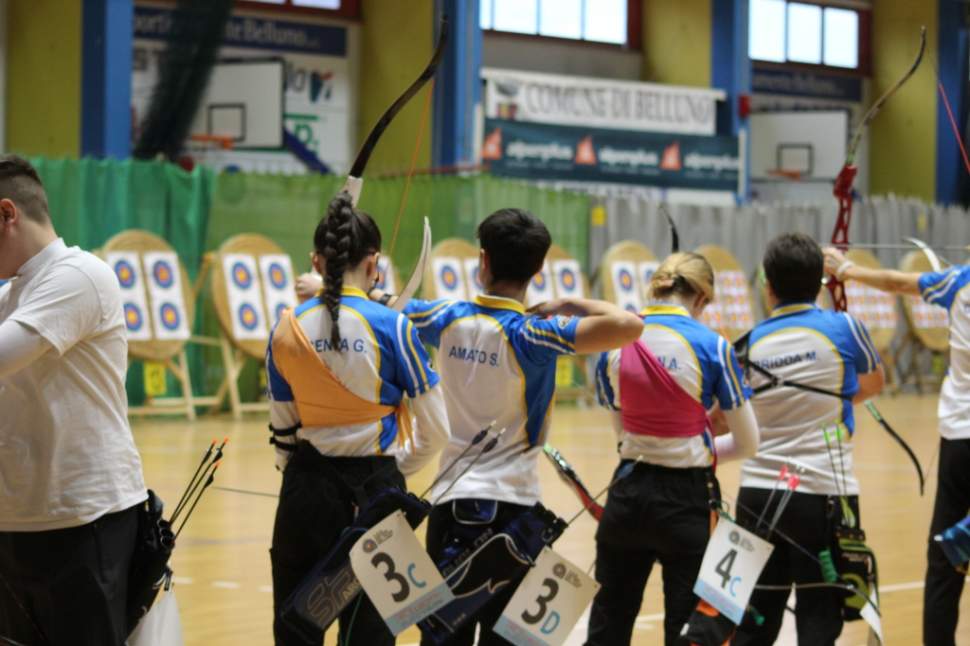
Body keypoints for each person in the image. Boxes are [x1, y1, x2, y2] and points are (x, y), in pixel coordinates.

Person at [370, 207, 643, 645]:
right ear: (537, 269)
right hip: (514, 511)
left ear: (483, 260)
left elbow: (380, 303)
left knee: (443, 637)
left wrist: (328, 285)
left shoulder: (445, 317)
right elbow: (630, 325)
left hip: (450, 503)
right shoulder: (533, 334)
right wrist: (568, 304)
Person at [266, 191, 451, 646]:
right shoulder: (394, 326)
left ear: (315, 261)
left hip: (304, 492)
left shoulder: (285, 327)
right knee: (369, 636)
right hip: (378, 489)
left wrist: (309, 477)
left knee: (296, 628)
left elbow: (283, 432)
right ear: (375, 265)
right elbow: (437, 431)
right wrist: (393, 471)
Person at [0, 155, 147, 645]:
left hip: (85, 519)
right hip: (21, 516)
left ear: (6, 215)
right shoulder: (12, 295)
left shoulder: (79, 275)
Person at [587, 251, 759, 646]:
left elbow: (623, 439)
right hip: (685, 502)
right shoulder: (714, 347)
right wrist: (698, 445)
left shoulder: (613, 343)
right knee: (687, 633)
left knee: (607, 627)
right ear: (701, 297)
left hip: (627, 497)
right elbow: (750, 442)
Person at [733, 234, 885, 645]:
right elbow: (874, 381)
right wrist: (829, 396)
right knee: (819, 620)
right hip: (824, 498)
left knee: (752, 621)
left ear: (768, 287)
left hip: (757, 497)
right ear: (820, 283)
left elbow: (726, 418)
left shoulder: (744, 345)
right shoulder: (846, 327)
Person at [822, 244, 967, 646]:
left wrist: (847, 269)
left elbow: (895, 282)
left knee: (945, 559)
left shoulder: (960, 282)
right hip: (958, 436)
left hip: (959, 442)